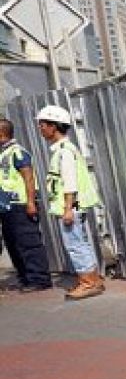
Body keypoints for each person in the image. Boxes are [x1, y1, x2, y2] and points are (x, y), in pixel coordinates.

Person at [37, 105, 105, 300]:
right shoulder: (64, 149)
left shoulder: (65, 151)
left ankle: (88, 283)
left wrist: (67, 209)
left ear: (54, 126)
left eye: (43, 125)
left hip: (71, 207)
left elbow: (70, 183)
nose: (41, 129)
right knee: (80, 243)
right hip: (73, 206)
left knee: (75, 245)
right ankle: (93, 279)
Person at [0, 118, 52, 292]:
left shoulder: (18, 152)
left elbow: (28, 177)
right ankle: (25, 277)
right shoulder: (3, 153)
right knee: (13, 243)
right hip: (6, 207)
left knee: (28, 242)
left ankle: (39, 279)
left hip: (20, 205)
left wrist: (31, 202)